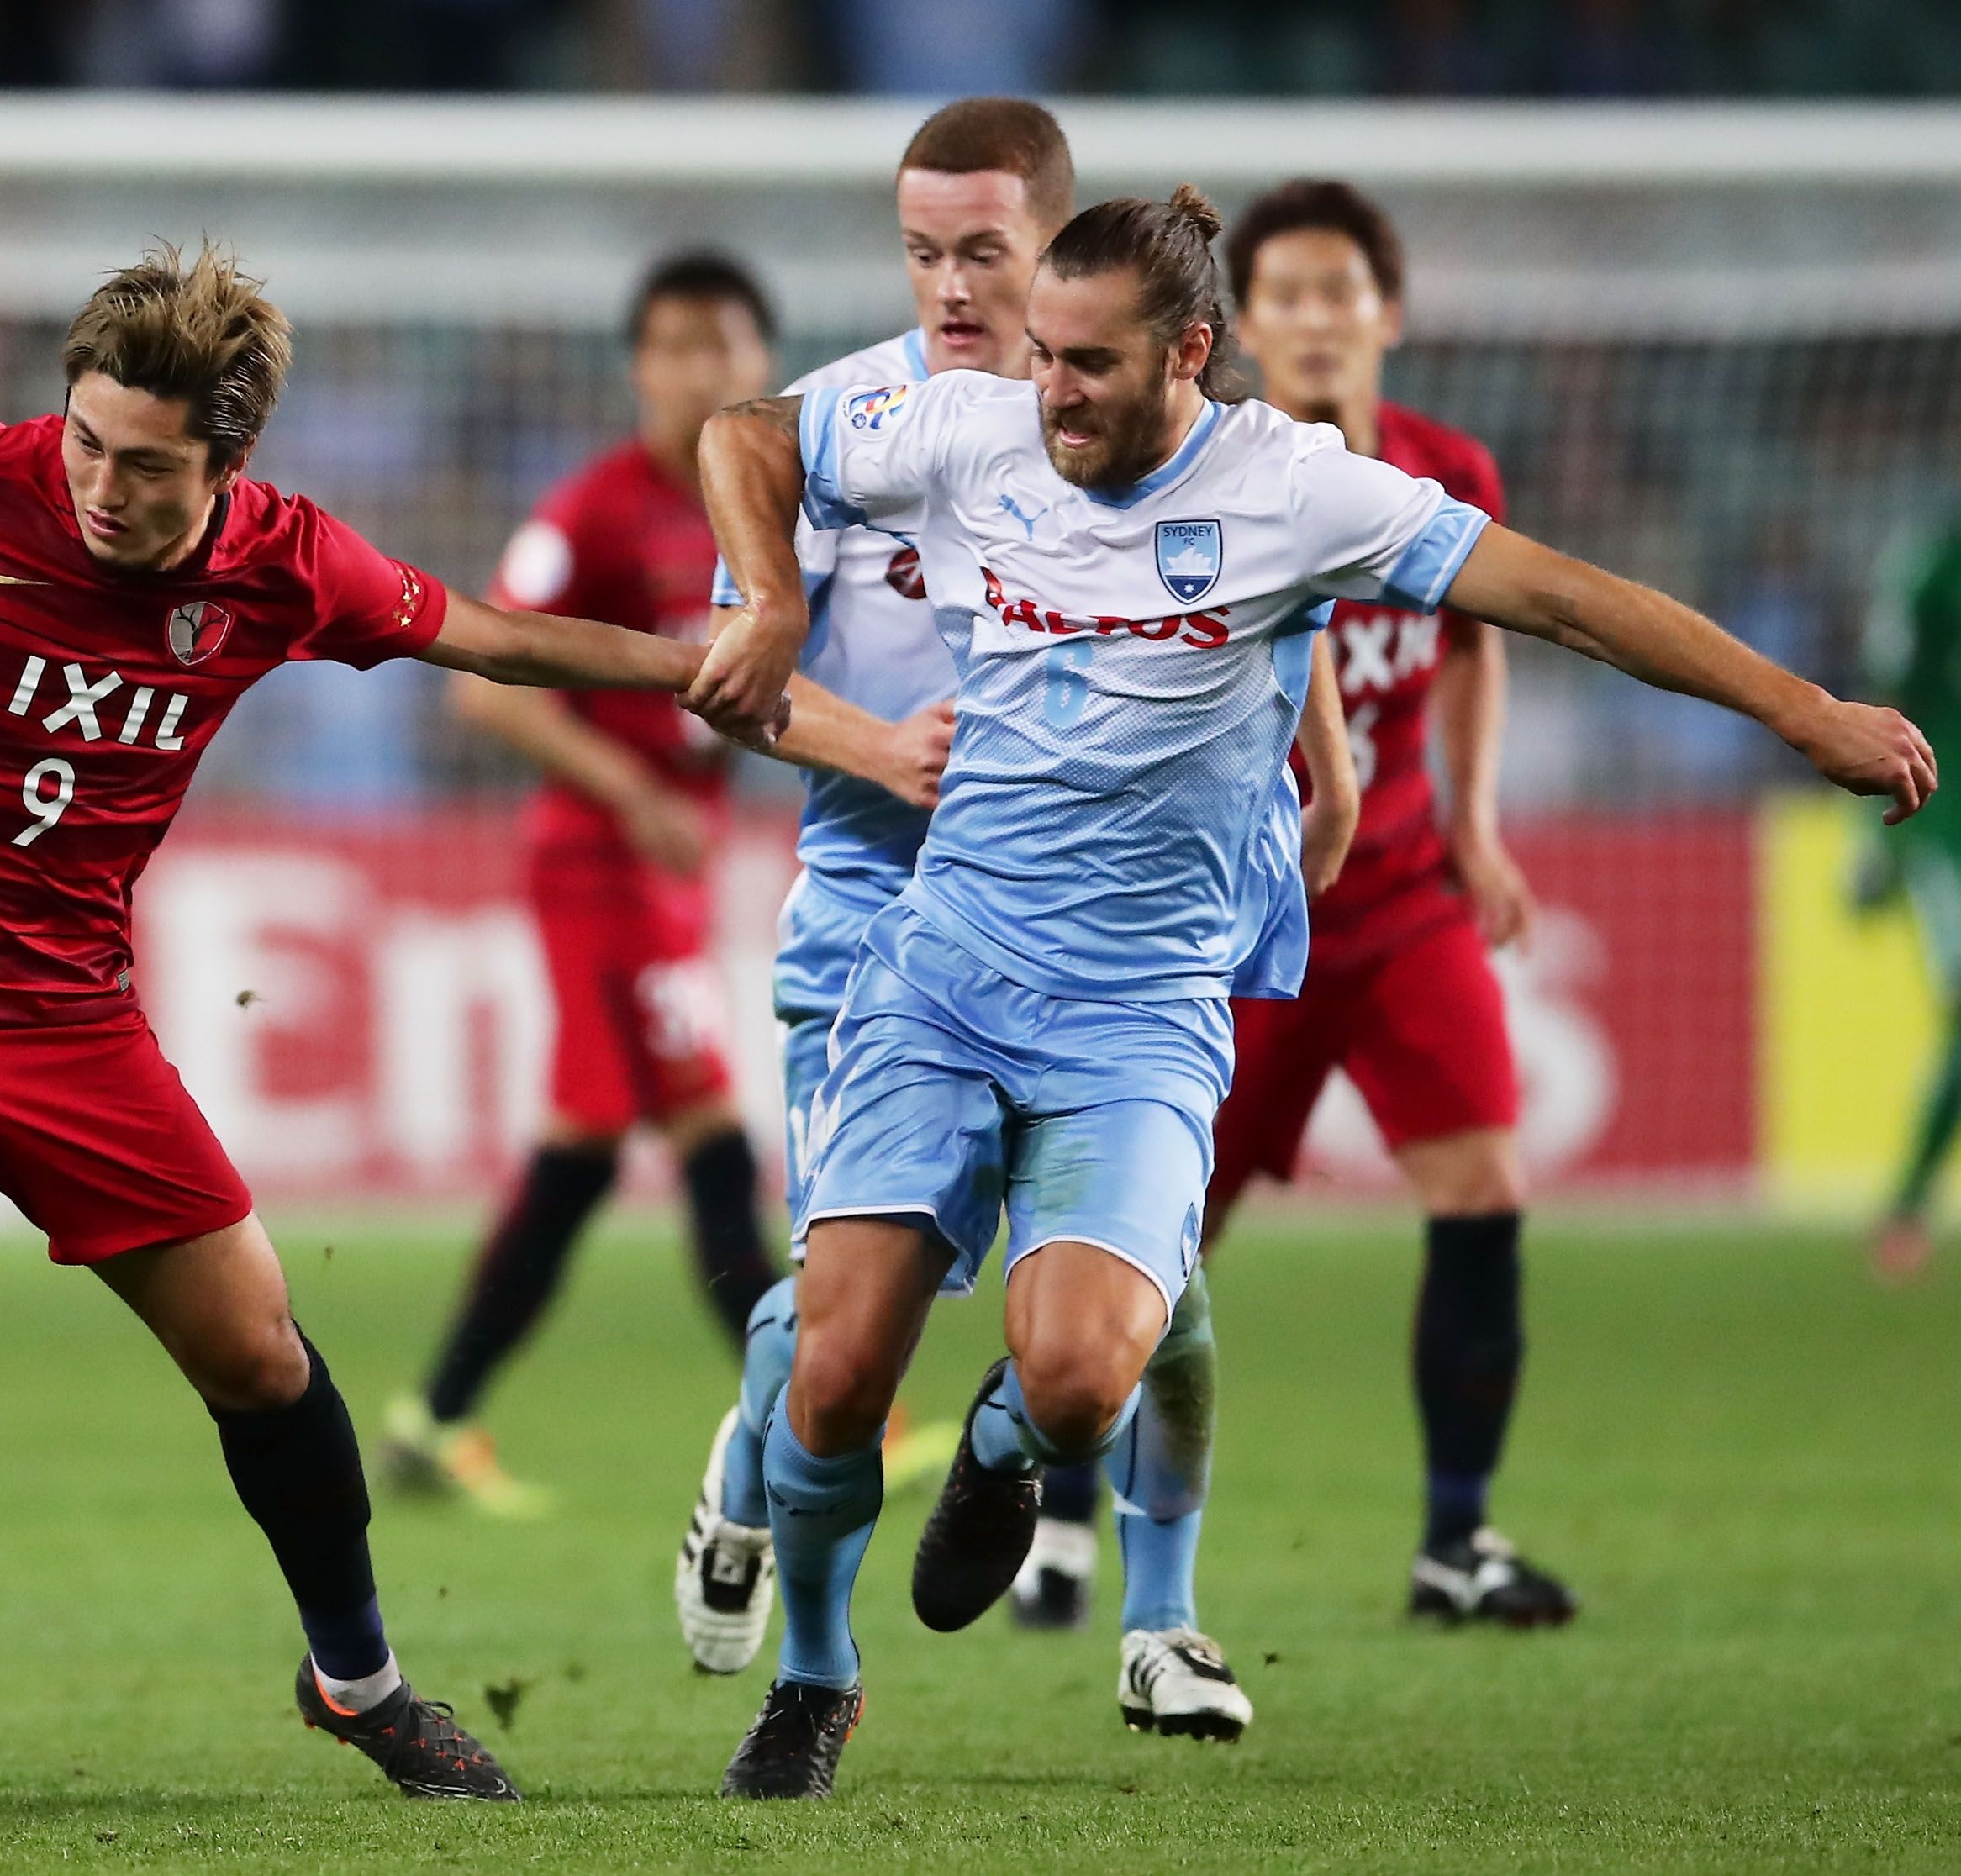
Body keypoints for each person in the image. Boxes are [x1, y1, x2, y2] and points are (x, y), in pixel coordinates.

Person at [0, 243, 891, 1804]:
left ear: (227, 465)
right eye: (87, 441)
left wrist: (700, 665)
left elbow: (493, 637)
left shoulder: (287, 563)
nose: (101, 486)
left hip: (65, 1021)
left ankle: (359, 1683)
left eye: (147, 465)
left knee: (261, 1355)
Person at [683, 187, 1932, 1798]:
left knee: (1071, 1386)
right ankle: (811, 1675)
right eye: (1041, 358)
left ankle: (1006, 1454)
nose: (1048, 390)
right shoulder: (968, 427)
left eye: (1088, 365)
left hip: (1136, 1013)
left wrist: (1798, 707)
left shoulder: (1296, 489)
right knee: (834, 1370)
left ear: (1190, 354)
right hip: (942, 973)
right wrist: (771, 594)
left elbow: (1553, 595)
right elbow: (742, 435)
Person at [666, 97, 1257, 1747]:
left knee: (1158, 1288)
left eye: (980, 250)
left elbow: (1271, 623)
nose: (945, 285)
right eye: (919, 250)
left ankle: (1164, 1622)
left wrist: (1315, 784)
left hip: (1115, 929)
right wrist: (880, 743)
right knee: (840, 1319)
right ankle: (775, 1523)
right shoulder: (848, 420)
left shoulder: (1146, 415)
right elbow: (738, 681)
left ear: (1052, 244)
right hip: (877, 918)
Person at [1015, 177, 1573, 1634]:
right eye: (1289, 295)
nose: (1318, 318)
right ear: (1230, 327)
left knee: (1482, 1190)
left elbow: (1471, 647)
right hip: (1238, 918)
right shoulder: (1217, 474)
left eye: (1343, 291)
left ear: (1385, 315)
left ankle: (1455, 1540)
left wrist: (1474, 825)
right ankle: (1059, 1523)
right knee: (1151, 1230)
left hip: (1396, 904)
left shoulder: (1446, 471)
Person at [383, 252, 811, 1516]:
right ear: (640, 366)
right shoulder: (593, 511)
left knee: (578, 1158)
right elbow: (480, 686)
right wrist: (632, 794)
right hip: (600, 867)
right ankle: (812, 1421)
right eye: (676, 347)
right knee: (713, 1138)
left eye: (726, 345)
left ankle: (434, 1418)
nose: (702, 369)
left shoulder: (763, 507)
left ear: (761, 364)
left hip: (667, 871)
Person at [1858, 514, 1961, 1281]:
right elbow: (1891, 697)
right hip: (1948, 823)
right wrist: (1883, 838)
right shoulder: (1931, 572)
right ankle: (1905, 1206)